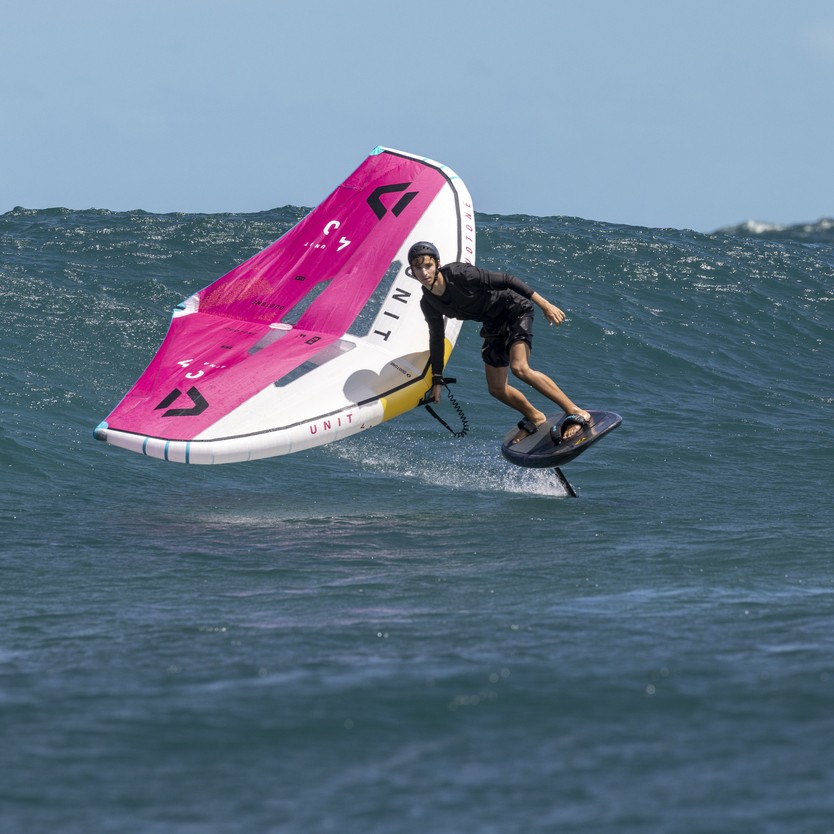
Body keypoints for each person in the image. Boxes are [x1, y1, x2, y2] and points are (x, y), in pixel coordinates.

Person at [407, 241, 591, 443]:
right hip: (492, 322)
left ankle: (576, 411)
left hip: (514, 309)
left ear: (437, 264)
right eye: (418, 268)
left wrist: (545, 305)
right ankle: (536, 417)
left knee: (520, 368)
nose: (424, 272)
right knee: (496, 388)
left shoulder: (460, 274)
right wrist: (437, 380)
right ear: (412, 271)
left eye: (428, 265)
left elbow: (507, 280)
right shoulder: (429, 303)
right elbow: (436, 339)